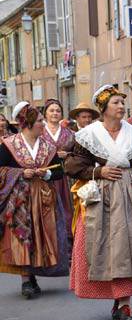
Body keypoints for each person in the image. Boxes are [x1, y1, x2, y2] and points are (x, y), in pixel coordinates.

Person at [64, 85, 132, 320]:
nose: (121, 106)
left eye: (121, 102)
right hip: (102, 198)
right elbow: (72, 166)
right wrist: (99, 170)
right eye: (116, 102)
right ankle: (120, 301)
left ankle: (125, 303)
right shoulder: (89, 134)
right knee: (107, 246)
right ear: (104, 108)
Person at [0, 102, 69, 298]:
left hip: (45, 198)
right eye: (39, 121)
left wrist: (46, 174)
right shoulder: (9, 145)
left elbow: (59, 171)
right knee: (22, 235)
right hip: (19, 198)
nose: (43, 123)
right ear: (27, 123)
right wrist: (21, 173)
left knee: (41, 236)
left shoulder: (48, 147)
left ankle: (34, 274)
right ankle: (25, 279)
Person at [41, 99, 75, 239]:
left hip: (66, 177)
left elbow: (78, 154)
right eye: (51, 110)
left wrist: (67, 154)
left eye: (58, 111)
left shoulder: (71, 133)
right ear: (45, 114)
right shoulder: (39, 132)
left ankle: (68, 237)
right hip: (47, 176)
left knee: (68, 208)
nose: (55, 113)